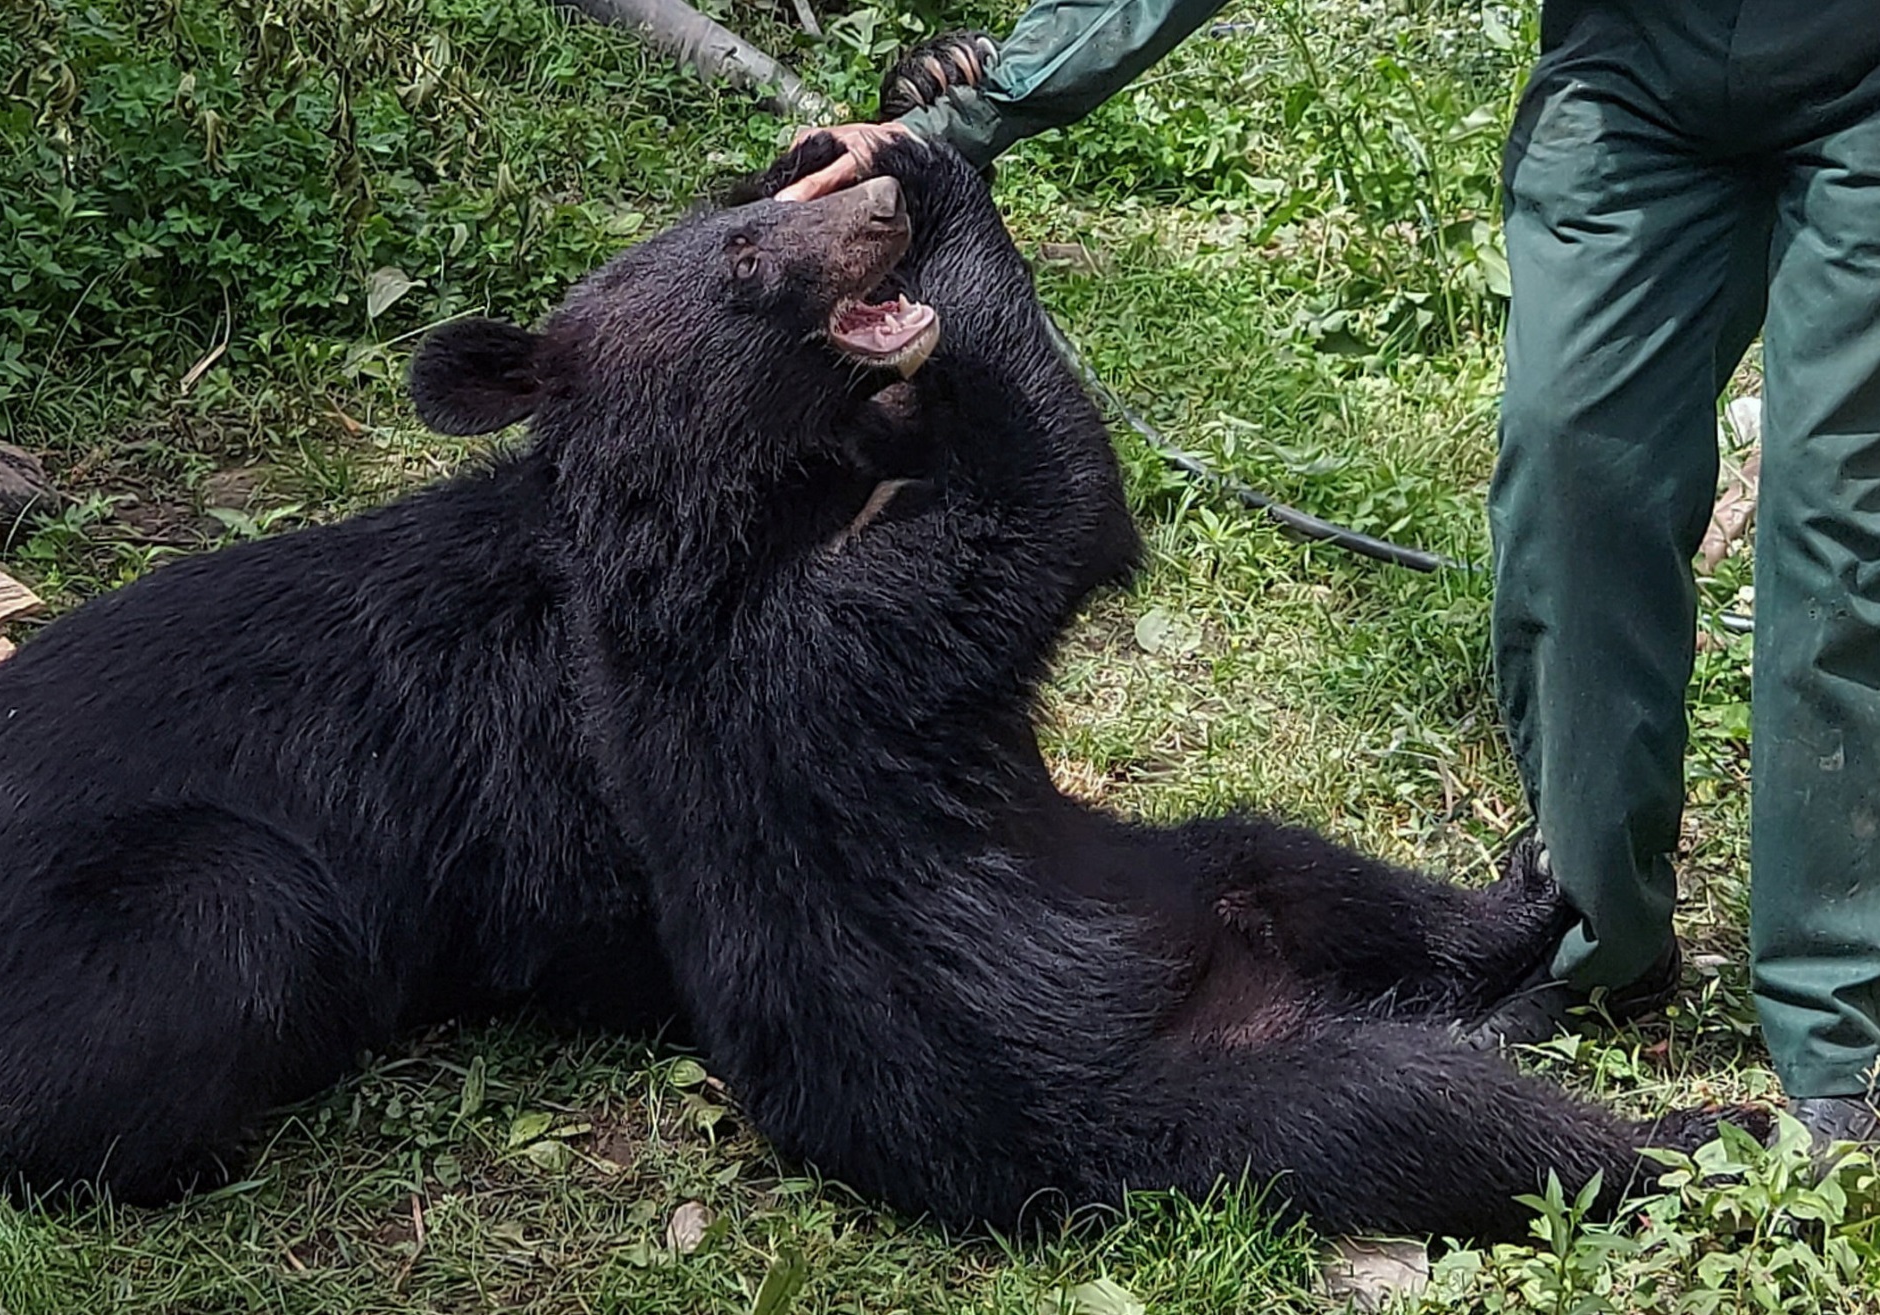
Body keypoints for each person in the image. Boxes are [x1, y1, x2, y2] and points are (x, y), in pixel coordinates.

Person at [778, 0, 1880, 1151]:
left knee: (1841, 539)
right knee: (1571, 474)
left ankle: (1838, 1030)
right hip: (1636, 81)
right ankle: (1597, 933)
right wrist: (966, 118)